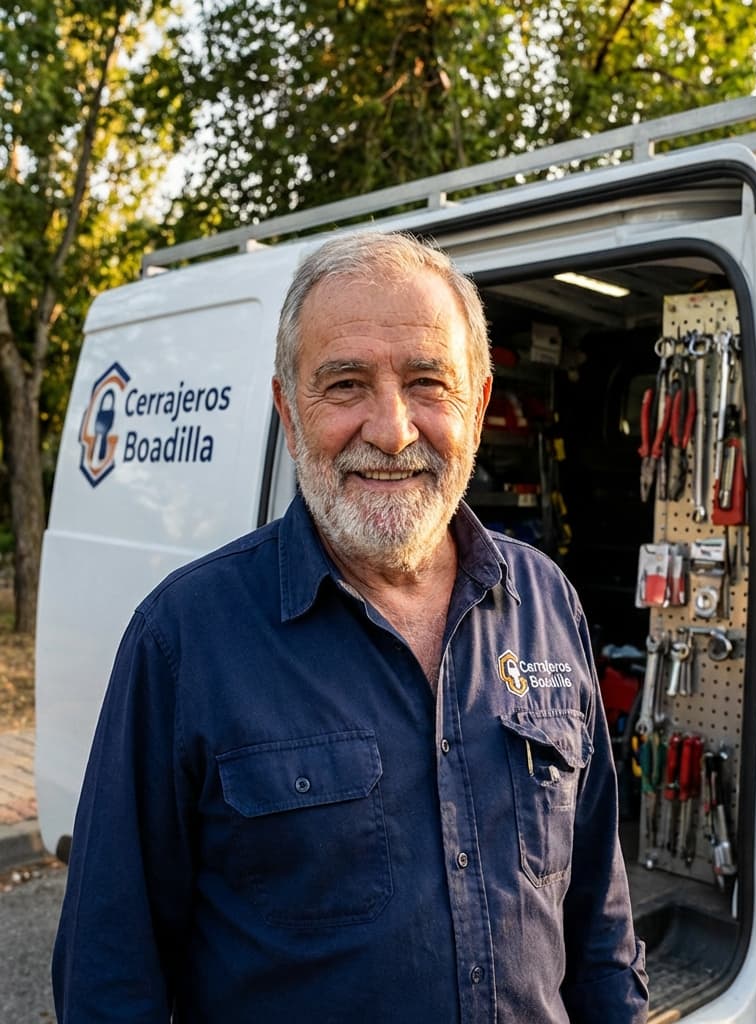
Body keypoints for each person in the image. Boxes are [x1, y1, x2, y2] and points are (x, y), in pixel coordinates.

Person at [52, 231, 648, 1023]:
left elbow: (599, 922)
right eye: (345, 385)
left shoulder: (544, 601)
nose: (393, 429)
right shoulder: (183, 640)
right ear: (288, 412)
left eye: (428, 382)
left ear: (475, 404)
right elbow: (108, 975)